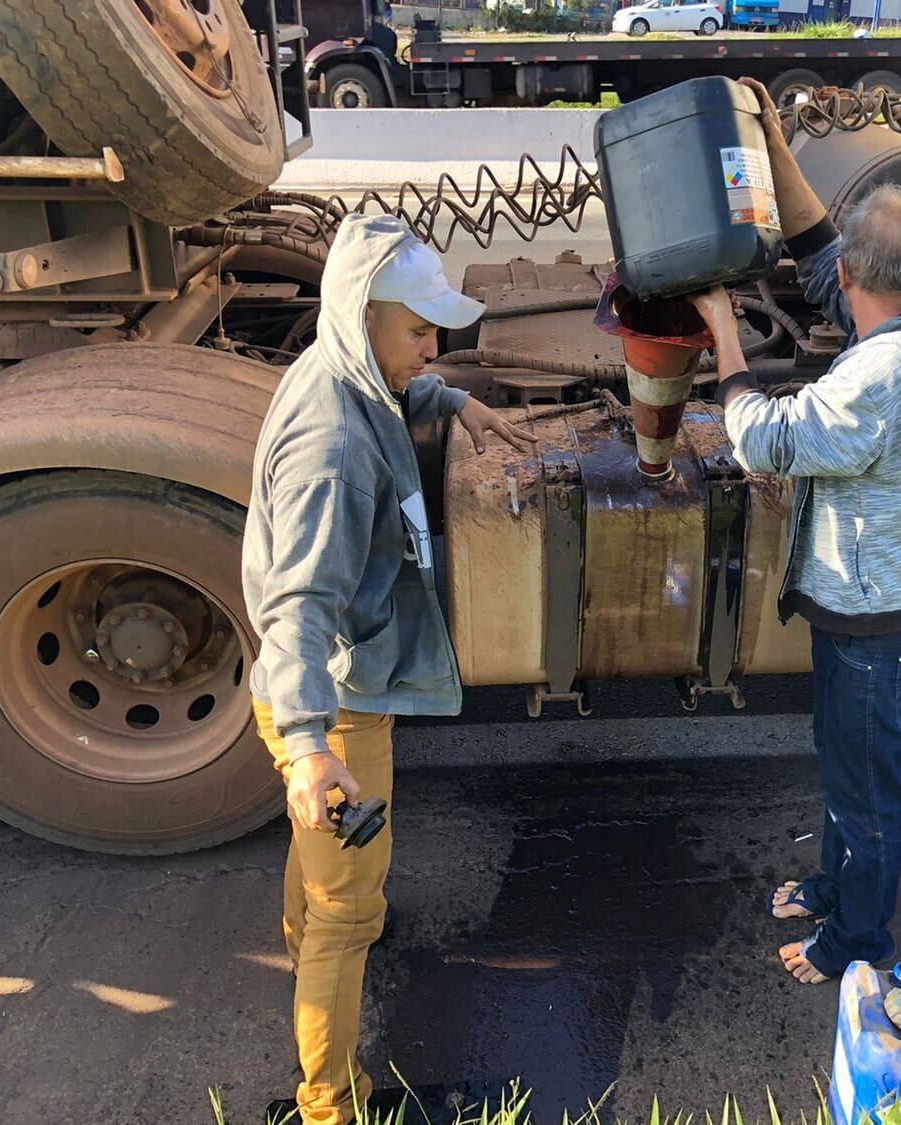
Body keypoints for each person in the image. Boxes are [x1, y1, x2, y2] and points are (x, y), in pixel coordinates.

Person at [687, 77, 901, 986]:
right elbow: (824, 254)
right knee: (846, 761)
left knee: (866, 789)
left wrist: (721, 335)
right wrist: (778, 144)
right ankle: (835, 887)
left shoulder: (877, 380)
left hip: (880, 622)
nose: (835, 282)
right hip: (886, 607)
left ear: (865, 283)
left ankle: (857, 938)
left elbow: (766, 440)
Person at [243, 213, 536, 1125]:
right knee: (348, 913)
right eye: (419, 332)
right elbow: (299, 606)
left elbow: (392, 397)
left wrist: (452, 400)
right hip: (333, 706)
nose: (433, 345)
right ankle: (333, 1106)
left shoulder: (343, 371)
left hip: (317, 692)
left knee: (319, 878)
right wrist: (307, 748)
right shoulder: (332, 453)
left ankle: (309, 939)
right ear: (363, 316)